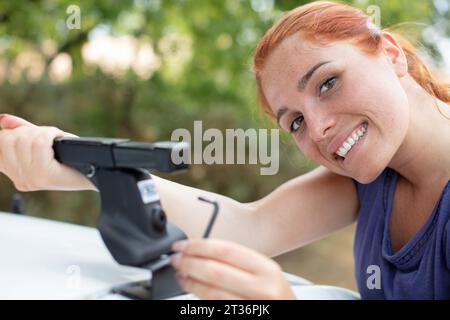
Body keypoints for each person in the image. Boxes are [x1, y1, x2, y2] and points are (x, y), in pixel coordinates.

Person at [1, 1, 450, 299]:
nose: (318, 127)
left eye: (327, 82)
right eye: (293, 121)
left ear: (390, 53)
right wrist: (84, 165)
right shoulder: (370, 176)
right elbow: (247, 228)